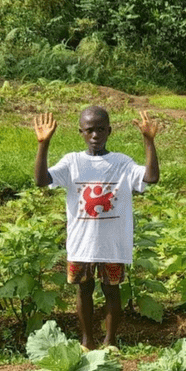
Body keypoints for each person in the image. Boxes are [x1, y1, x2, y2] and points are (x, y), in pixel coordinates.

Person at [33, 107, 160, 350]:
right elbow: (41, 180)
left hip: (112, 243)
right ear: (81, 132)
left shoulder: (121, 162)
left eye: (100, 129)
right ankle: (86, 341)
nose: (95, 135)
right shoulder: (72, 162)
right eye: (89, 130)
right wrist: (43, 144)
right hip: (82, 243)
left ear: (109, 131)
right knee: (83, 290)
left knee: (112, 292)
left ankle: (110, 342)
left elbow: (151, 178)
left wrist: (148, 141)